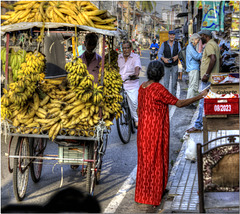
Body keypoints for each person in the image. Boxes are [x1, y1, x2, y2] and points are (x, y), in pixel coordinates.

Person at [135, 60, 208, 206]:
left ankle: (142, 195)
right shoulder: (158, 88)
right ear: (161, 74)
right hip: (155, 131)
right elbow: (179, 103)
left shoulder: (142, 87)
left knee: (144, 163)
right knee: (156, 161)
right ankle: (154, 196)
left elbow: (139, 110)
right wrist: (200, 96)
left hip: (143, 131)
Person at [187, 29, 220, 133]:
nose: (200, 39)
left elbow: (213, 59)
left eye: (201, 36)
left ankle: (198, 125)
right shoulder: (214, 44)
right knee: (208, 101)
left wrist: (206, 74)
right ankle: (208, 123)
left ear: (206, 36)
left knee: (202, 102)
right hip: (212, 77)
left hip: (208, 78)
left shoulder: (210, 45)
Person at [118, 40, 141, 128]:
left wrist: (135, 74)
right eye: (123, 48)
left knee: (134, 102)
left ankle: (136, 120)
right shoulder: (119, 57)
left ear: (131, 48)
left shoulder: (135, 57)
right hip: (120, 84)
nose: (125, 50)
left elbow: (137, 67)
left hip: (131, 83)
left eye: (127, 48)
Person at [158, 30, 181, 97]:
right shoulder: (164, 44)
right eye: (170, 35)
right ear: (168, 36)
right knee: (166, 82)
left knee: (174, 82)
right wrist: (163, 59)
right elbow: (159, 54)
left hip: (174, 65)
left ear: (174, 36)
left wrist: (177, 56)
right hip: (166, 65)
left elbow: (180, 52)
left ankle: (173, 96)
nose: (172, 36)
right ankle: (166, 96)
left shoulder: (177, 44)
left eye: (173, 35)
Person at [185, 33, 202, 109]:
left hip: (193, 68)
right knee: (193, 86)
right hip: (193, 68)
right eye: (197, 40)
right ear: (194, 39)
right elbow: (196, 56)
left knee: (192, 86)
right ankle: (189, 103)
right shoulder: (190, 47)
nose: (198, 42)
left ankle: (189, 102)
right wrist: (203, 53)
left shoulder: (191, 47)